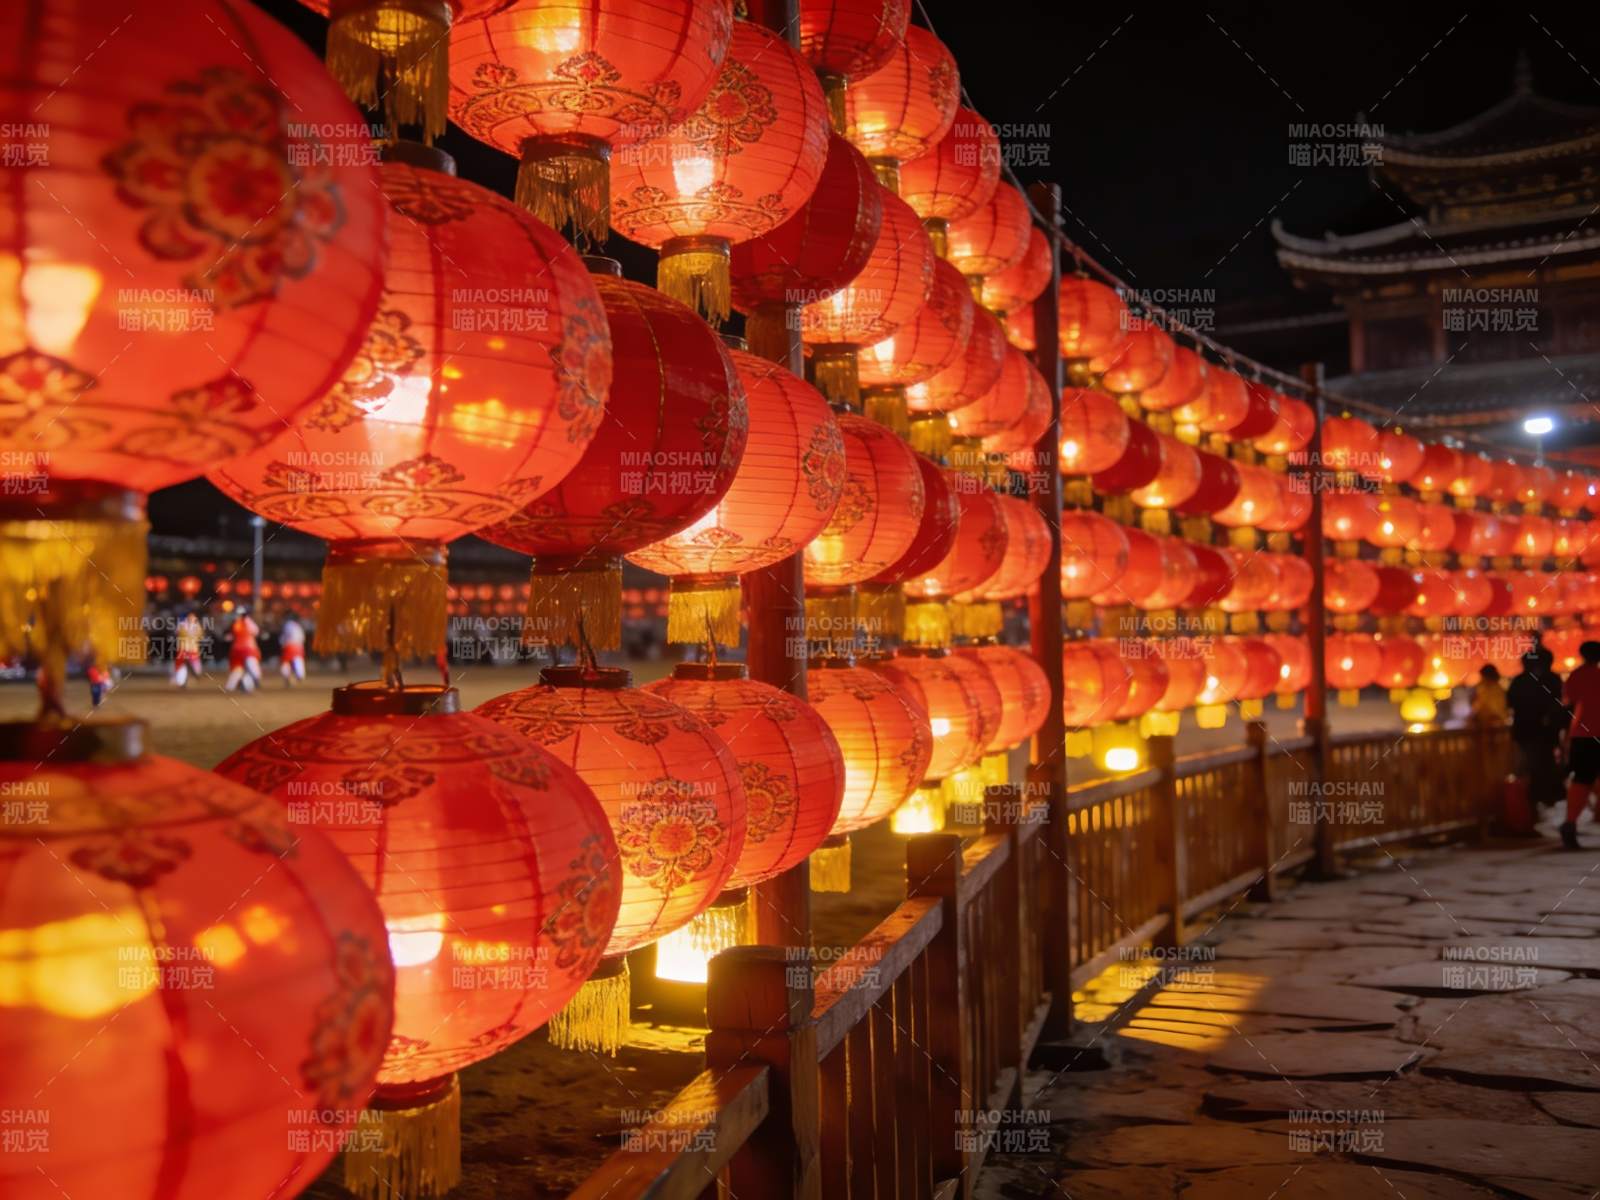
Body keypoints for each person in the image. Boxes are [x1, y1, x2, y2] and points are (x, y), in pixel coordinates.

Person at [1507, 647, 1568, 818]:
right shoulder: (1551, 679)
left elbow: (1510, 703)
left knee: (1531, 770)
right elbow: (1558, 705)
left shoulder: (1520, 681)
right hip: (1542, 733)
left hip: (1527, 733)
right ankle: (1533, 807)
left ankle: (1530, 809)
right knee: (1539, 768)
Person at [1560, 640, 1600, 849]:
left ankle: (1570, 822)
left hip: (1581, 735)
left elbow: (1568, 703)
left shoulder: (1575, 676)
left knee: (1581, 781)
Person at [225, 608, 262, 693]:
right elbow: (256, 631)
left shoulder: (236, 623)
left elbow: (230, 635)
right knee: (250, 668)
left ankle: (231, 686)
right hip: (248, 649)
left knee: (238, 669)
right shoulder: (247, 622)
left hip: (237, 650)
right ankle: (252, 682)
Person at [172, 611, 204, 687]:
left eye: (193, 617)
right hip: (183, 648)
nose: (191, 618)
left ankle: (195, 675)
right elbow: (178, 633)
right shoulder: (181, 625)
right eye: (190, 617)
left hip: (193, 649)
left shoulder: (197, 626)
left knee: (195, 665)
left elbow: (200, 636)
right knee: (181, 666)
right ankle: (181, 682)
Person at [279, 613, 306, 686]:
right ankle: (300, 675)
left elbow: (284, 637)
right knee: (298, 661)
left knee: (285, 663)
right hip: (299, 646)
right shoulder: (298, 626)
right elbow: (302, 637)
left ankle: (287, 677)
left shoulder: (288, 625)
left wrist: (282, 643)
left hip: (289, 645)